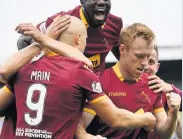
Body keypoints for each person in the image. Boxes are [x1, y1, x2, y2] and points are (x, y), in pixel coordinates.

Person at [0, 18, 156, 138]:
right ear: (78, 39)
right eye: (86, 39)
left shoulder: (25, 67)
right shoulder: (81, 72)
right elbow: (116, 119)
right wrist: (145, 119)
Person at [73, 23, 181, 139]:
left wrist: (173, 113)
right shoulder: (99, 82)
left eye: (148, 57)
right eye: (139, 56)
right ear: (122, 49)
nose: (145, 63)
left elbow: (164, 134)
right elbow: (79, 130)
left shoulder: (152, 84)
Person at [17, 0, 123, 73]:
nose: (101, 2)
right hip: (65, 87)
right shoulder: (62, 21)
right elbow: (24, 40)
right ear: (82, 2)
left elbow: (121, 55)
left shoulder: (115, 24)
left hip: (94, 88)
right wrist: (35, 75)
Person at [145, 46, 182, 139]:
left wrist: (170, 88)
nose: (145, 66)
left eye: (151, 62)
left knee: (174, 113)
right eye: (141, 59)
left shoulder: (162, 89)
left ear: (157, 67)